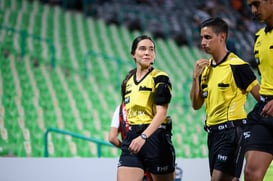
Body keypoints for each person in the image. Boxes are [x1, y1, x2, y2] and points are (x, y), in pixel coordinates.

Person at [190, 17, 260, 181]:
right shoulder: (205, 69)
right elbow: (196, 104)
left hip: (232, 133)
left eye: (207, 37)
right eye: (201, 37)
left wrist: (250, 126)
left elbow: (260, 97)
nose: (203, 42)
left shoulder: (237, 66)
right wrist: (195, 78)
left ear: (222, 37)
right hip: (213, 135)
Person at [117, 34, 175, 181]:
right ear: (133, 54)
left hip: (156, 137)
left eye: (151, 49)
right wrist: (136, 136)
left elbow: (161, 113)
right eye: (142, 49)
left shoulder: (160, 77)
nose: (147, 52)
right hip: (133, 136)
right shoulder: (128, 81)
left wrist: (144, 136)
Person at [243, 1, 273, 181]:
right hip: (265, 110)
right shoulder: (259, 37)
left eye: (257, 4)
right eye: (250, 6)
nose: (253, 10)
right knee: (251, 173)